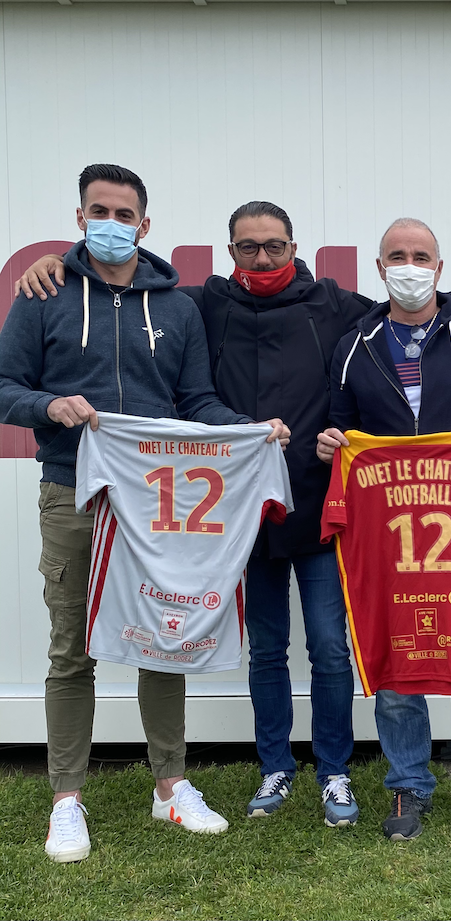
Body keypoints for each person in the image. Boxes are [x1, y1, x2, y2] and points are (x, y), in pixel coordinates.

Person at [16, 202, 451, 827]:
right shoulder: (206, 303)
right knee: (266, 649)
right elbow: (127, 288)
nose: (263, 258)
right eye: (249, 247)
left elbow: (405, 306)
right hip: (243, 513)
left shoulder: (333, 304)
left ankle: (334, 771)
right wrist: (60, 261)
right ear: (230, 252)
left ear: (295, 247)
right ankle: (276, 766)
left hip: (318, 506)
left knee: (330, 648)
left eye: (274, 246)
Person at [0, 164, 289, 863]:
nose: (111, 223)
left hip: (159, 503)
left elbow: (196, 402)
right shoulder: (44, 293)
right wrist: (49, 405)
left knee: (164, 636)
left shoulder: (178, 307)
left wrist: (250, 431)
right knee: (72, 648)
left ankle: (171, 785)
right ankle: (66, 799)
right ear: (80, 218)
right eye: (98, 210)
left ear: (145, 224)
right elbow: (5, 387)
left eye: (124, 214)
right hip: (73, 491)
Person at [317, 217, 451, 843]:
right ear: (379, 268)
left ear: (440, 268)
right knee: (397, 657)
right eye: (396, 256)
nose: (408, 266)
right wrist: (333, 446)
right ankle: (407, 783)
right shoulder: (355, 345)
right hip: (389, 530)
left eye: (420, 256)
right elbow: (340, 425)